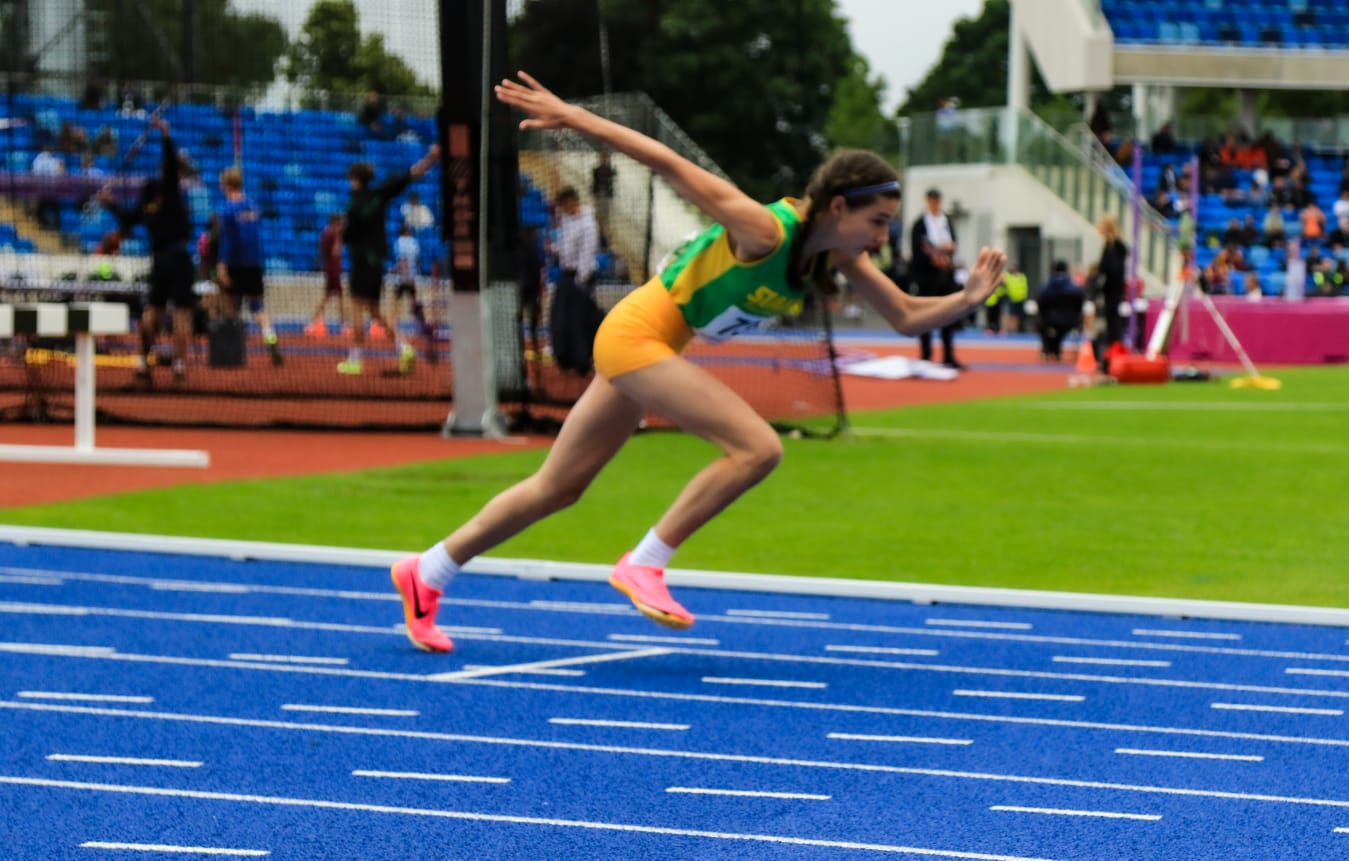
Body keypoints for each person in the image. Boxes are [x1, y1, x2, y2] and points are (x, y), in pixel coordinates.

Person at [387, 71, 1008, 653]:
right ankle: (645, 563)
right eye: (877, 221)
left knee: (558, 487)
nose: (882, 237)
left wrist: (968, 298)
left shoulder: (836, 257)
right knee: (758, 448)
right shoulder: (764, 230)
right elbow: (667, 162)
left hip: (651, 345)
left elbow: (905, 316)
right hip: (636, 336)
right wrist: (571, 117)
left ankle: (428, 570)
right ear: (839, 207)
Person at [98, 117, 195, 385]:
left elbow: (128, 219)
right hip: (179, 257)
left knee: (152, 311)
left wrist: (109, 203)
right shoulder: (171, 191)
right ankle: (179, 367)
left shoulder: (147, 200)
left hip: (159, 259)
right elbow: (171, 166)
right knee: (182, 314)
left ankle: (142, 362)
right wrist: (166, 134)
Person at [337, 145, 440, 375]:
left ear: (354, 179)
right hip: (378, 262)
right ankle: (403, 347)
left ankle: (355, 359)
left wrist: (341, 235)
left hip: (361, 262)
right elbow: (410, 175)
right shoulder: (379, 194)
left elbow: (346, 234)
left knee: (357, 308)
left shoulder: (353, 203)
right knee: (374, 309)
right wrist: (432, 157)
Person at [216, 166, 282, 366]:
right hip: (254, 263)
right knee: (257, 308)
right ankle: (270, 336)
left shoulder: (226, 210)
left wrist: (222, 265)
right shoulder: (254, 207)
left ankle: (233, 350)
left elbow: (228, 240)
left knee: (231, 308)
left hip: (235, 264)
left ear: (226, 185)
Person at [910, 188, 964, 369]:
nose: (935, 204)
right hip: (927, 277)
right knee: (926, 315)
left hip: (946, 276)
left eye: (937, 201)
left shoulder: (946, 220)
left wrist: (948, 251)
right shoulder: (920, 224)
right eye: (932, 201)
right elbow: (917, 252)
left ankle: (948, 355)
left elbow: (954, 243)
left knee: (948, 314)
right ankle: (926, 354)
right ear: (927, 201)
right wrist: (932, 259)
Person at [550, 185, 602, 374]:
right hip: (566, 275)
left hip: (580, 278)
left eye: (564, 205)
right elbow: (566, 247)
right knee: (560, 318)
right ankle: (565, 358)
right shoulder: (567, 220)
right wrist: (555, 249)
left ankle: (582, 361)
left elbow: (587, 253)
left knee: (578, 321)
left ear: (572, 202)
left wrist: (581, 280)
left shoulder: (587, 224)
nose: (562, 209)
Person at [390, 223, 436, 373]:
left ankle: (395, 329)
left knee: (394, 308)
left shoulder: (399, 242)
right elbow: (415, 261)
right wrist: (411, 275)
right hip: (412, 278)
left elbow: (403, 260)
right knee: (415, 305)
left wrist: (404, 276)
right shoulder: (414, 242)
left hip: (403, 280)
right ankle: (423, 328)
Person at [1093, 213, 1128, 369]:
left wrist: (1100, 278)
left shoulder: (1114, 247)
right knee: (1111, 323)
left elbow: (1111, 269)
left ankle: (1112, 355)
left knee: (1112, 323)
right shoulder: (1114, 246)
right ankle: (1111, 353)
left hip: (1112, 290)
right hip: (1112, 290)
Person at [1035, 260, 1084, 362]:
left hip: (1050, 320)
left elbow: (1040, 303)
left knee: (1042, 324)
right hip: (1070, 321)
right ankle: (1054, 349)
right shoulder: (1075, 288)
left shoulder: (1046, 287)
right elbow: (1080, 303)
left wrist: (1044, 315)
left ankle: (1047, 349)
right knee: (1059, 329)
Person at [308, 213, 348, 336]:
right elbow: (336, 252)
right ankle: (315, 322)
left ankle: (342, 324)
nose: (342, 226)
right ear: (336, 223)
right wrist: (339, 238)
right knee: (333, 297)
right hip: (333, 270)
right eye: (340, 223)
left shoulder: (326, 232)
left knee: (333, 297)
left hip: (330, 268)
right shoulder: (331, 234)